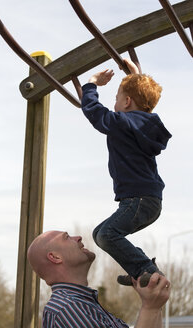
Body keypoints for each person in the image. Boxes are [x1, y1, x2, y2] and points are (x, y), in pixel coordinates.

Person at [81, 59, 172, 286]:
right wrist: (134, 77)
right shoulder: (147, 125)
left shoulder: (121, 122)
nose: (114, 105)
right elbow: (142, 106)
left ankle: (145, 269)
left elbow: (94, 112)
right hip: (149, 200)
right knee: (100, 233)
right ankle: (139, 271)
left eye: (116, 99)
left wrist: (91, 85)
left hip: (137, 199)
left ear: (127, 101)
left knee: (106, 235)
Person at [27, 230, 170, 328]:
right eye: (67, 237)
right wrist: (150, 307)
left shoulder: (82, 305)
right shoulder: (66, 308)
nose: (78, 237)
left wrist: (155, 304)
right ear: (55, 257)